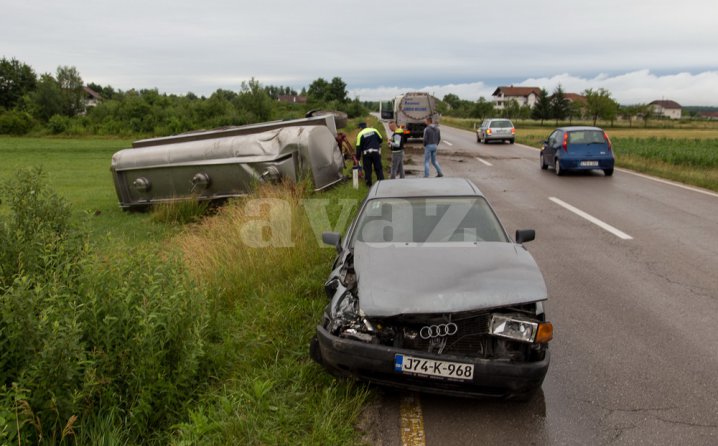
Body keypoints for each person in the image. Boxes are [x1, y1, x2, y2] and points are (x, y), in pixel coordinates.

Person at [355, 122, 385, 186]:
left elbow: (358, 148)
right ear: (366, 126)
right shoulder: (374, 130)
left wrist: (357, 158)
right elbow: (381, 139)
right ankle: (381, 184)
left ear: (360, 128)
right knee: (378, 168)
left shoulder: (360, 134)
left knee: (368, 170)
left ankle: (369, 186)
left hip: (366, 155)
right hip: (376, 153)